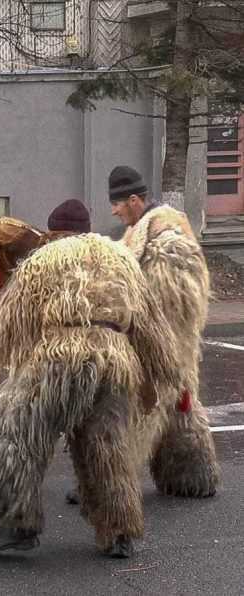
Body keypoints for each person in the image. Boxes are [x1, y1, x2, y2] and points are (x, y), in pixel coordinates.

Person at [0, 217, 181, 557]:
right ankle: (118, 532)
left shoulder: (41, 264)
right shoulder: (120, 256)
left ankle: (11, 525)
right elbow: (151, 326)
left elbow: (0, 332)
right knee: (106, 445)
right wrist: (160, 375)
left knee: (12, 435)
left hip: (58, 358)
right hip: (114, 359)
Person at [110, 166, 221, 497]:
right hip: (170, 341)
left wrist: (147, 340)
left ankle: (113, 481)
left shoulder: (165, 241)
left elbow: (171, 302)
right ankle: (189, 475)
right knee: (180, 403)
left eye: (117, 204)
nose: (114, 211)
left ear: (134, 200)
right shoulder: (152, 232)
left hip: (162, 341)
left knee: (146, 405)